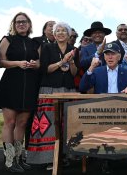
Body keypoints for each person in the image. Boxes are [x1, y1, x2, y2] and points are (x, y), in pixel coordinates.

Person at [79, 42, 127, 174]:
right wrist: (90, 68)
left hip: (122, 113)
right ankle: (103, 161)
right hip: (100, 112)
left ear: (119, 56)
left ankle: (120, 160)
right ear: (104, 57)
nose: (110, 57)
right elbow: (82, 88)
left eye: (113, 54)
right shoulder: (97, 71)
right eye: (107, 54)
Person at [26, 22, 77, 170]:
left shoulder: (73, 50)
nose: (61, 33)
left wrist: (72, 62)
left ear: (68, 35)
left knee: (66, 124)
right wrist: (62, 61)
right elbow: (45, 69)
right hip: (50, 89)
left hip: (68, 89)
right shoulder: (48, 47)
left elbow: (73, 73)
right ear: (54, 35)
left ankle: (65, 156)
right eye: (58, 31)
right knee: (48, 125)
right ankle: (49, 159)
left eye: (64, 31)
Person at [0, 12, 40, 173]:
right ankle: (9, 160)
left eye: (24, 21)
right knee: (10, 122)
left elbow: (41, 62)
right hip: (11, 84)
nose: (21, 24)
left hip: (29, 86)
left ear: (29, 24)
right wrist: (17, 63)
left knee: (22, 123)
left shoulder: (34, 42)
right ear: (14, 25)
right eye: (18, 22)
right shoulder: (7, 40)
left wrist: (35, 64)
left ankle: (18, 158)